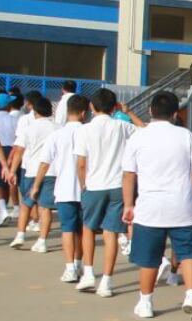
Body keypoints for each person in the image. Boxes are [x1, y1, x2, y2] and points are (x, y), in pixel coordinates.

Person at [119, 93, 192, 321]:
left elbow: (129, 174)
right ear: (176, 114)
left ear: (150, 111)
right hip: (183, 205)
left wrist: (128, 204)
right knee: (189, 253)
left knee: (149, 258)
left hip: (149, 207)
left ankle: (146, 302)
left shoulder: (138, 137)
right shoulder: (185, 135)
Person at [74, 86, 134, 297]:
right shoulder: (122, 126)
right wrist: (128, 112)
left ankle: (89, 273)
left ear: (91, 107)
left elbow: (81, 162)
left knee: (88, 228)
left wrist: (83, 184)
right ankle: (106, 281)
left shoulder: (85, 130)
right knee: (112, 233)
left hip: (94, 184)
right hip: (118, 185)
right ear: (114, 107)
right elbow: (144, 129)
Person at [40, 95, 91, 283]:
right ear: (84, 113)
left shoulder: (56, 135)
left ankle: (69, 268)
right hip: (87, 188)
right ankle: (79, 263)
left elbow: (44, 163)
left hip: (64, 189)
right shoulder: (89, 132)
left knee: (67, 229)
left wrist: (36, 185)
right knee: (84, 230)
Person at [9, 96, 57, 249]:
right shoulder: (58, 128)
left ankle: (20, 235)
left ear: (34, 110)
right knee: (45, 207)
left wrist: (12, 171)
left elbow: (19, 151)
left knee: (26, 204)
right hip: (52, 171)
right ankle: (42, 241)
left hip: (32, 170)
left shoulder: (29, 128)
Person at [0, 93, 20, 226]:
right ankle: (8, 209)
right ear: (8, 105)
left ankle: (3, 209)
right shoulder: (15, 120)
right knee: (10, 181)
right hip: (13, 151)